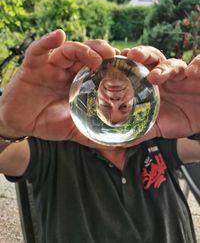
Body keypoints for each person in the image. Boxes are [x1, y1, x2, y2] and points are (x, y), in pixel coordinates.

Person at [0, 29, 200, 243]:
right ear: (90, 98)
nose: (114, 118)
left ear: (136, 98)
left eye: (124, 106)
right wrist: (6, 124)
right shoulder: (51, 145)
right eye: (105, 105)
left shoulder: (158, 135)